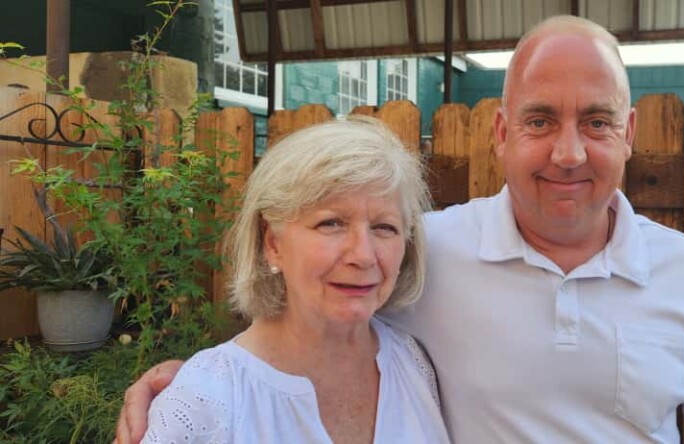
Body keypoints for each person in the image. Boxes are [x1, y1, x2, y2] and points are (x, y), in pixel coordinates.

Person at [119, 16, 684, 443]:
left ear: (630, 134)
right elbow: (307, 317)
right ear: (503, 133)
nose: (569, 153)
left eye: (597, 121)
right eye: (540, 121)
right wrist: (196, 390)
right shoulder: (434, 251)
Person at [136, 117, 449, 443]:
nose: (364, 255)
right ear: (272, 243)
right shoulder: (204, 401)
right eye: (331, 223)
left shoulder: (412, 363)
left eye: (385, 227)